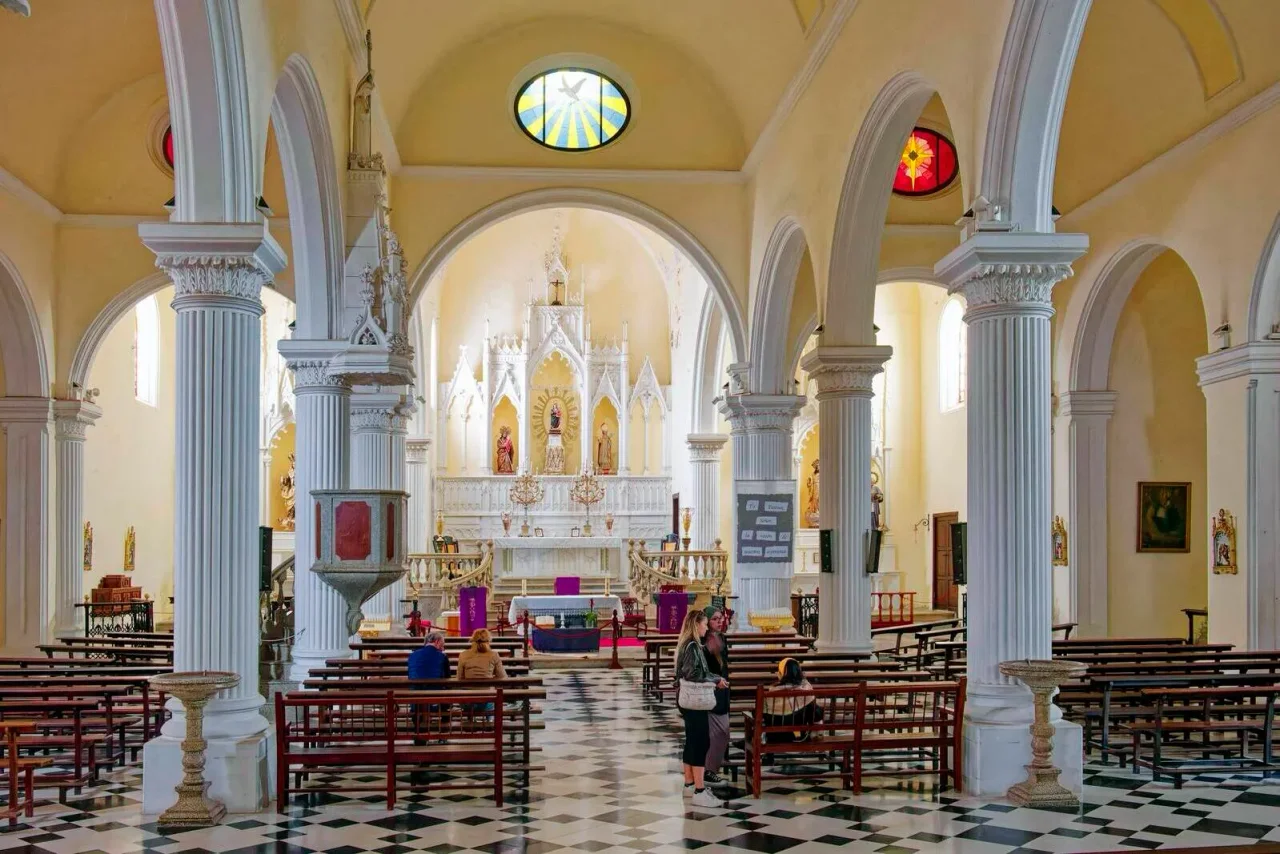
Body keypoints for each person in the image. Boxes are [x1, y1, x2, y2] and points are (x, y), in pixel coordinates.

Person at [675, 610, 728, 808]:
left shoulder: (687, 644)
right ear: (696, 625)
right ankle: (699, 791)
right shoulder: (692, 646)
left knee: (691, 742)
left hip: (689, 701)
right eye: (704, 624)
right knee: (700, 743)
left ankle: (689, 785)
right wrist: (716, 679)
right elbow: (694, 674)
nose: (706, 628)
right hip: (695, 700)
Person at [763, 658, 823, 748]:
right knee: (814, 708)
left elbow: (762, 715)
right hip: (800, 737)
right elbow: (815, 713)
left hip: (775, 737)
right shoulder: (807, 689)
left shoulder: (773, 692)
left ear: (781, 673)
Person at [701, 606, 731, 786]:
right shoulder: (702, 641)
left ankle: (710, 770)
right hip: (711, 691)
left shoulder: (722, 638)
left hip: (723, 690)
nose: (720, 621)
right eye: (715, 619)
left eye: (721, 618)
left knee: (723, 732)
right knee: (715, 733)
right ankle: (707, 771)